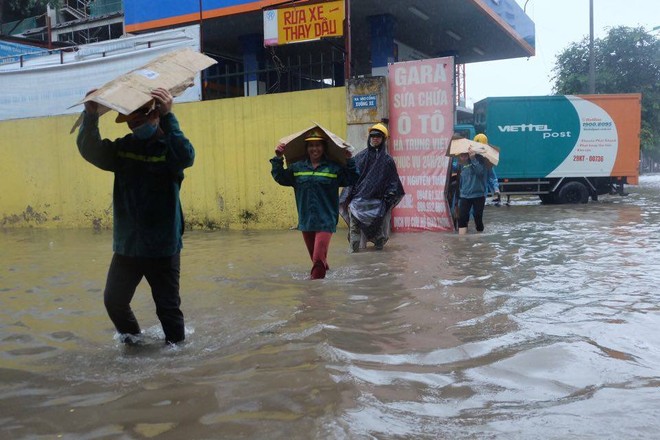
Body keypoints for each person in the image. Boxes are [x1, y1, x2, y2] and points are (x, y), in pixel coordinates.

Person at [76, 87, 195, 345]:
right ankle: (134, 343)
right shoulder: (123, 149)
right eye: (132, 122)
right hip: (128, 246)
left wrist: (169, 116)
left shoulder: (170, 150)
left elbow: (187, 156)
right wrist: (91, 116)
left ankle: (178, 361)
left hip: (163, 247)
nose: (135, 126)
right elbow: (90, 149)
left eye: (140, 120)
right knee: (114, 301)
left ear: (155, 116)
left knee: (168, 310)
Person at [270, 128, 359, 279]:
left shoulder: (333, 168)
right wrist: (278, 158)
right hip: (306, 221)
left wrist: (350, 160)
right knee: (317, 259)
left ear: (324, 147)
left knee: (317, 260)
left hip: (326, 221)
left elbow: (352, 178)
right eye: (311, 145)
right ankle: (326, 282)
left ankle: (314, 297)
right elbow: (280, 178)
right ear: (307, 148)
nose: (314, 148)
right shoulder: (297, 168)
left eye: (318, 145)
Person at [339, 123, 404, 252]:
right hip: (358, 202)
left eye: (378, 136)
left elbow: (393, 182)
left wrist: (388, 197)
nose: (375, 138)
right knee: (355, 230)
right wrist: (349, 197)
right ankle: (355, 254)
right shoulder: (360, 157)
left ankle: (379, 259)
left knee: (379, 234)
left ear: (383, 139)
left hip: (378, 203)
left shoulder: (388, 161)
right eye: (372, 136)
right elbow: (352, 179)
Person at [456, 146, 488, 235]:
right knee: (462, 217)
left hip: (478, 195)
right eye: (461, 156)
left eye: (464, 155)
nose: (462, 157)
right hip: (464, 195)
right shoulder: (460, 164)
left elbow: (480, 173)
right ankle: (462, 241)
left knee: (477, 217)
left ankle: (480, 237)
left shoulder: (480, 160)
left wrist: (473, 159)